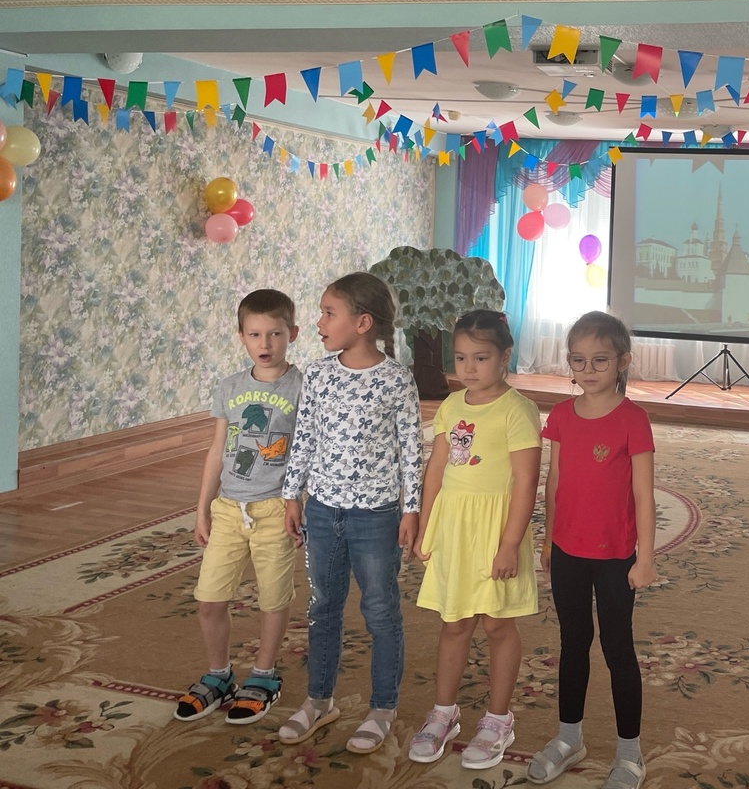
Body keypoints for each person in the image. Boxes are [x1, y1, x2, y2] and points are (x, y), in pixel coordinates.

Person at [276, 272, 423, 755]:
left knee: (379, 610)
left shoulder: (396, 379)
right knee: (322, 608)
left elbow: (411, 449)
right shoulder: (318, 374)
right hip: (322, 511)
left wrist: (411, 509)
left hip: (376, 516)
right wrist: (292, 495)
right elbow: (305, 437)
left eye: (328, 313)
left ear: (362, 323)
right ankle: (319, 700)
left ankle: (383, 707)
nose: (319, 322)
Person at [527, 311, 656, 789]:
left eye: (600, 360)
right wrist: (548, 538)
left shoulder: (633, 420)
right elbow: (554, 481)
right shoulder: (562, 415)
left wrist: (646, 557)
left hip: (617, 557)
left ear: (622, 361)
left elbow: (643, 494)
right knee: (572, 643)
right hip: (568, 553)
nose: (588, 369)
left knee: (618, 647)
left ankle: (630, 753)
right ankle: (569, 738)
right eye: (578, 360)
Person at [409, 309, 542, 770]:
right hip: (455, 528)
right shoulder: (451, 405)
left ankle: (498, 720)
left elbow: (526, 482)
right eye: (461, 357)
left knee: (497, 625)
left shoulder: (518, 410)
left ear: (505, 357)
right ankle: (443, 714)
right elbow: (436, 468)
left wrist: (509, 544)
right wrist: (425, 524)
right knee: (454, 621)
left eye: (480, 358)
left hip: (496, 530)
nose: (468, 367)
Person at [175, 289, 303, 725]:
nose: (265, 343)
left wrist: (297, 502)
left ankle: (264, 675)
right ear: (241, 337)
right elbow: (217, 451)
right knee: (209, 599)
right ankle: (219, 675)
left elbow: (310, 451)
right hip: (229, 509)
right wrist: (202, 508)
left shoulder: (304, 387)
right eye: (255, 334)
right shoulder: (230, 387)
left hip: (275, 510)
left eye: (275, 334)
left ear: (292, 334)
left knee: (272, 598)